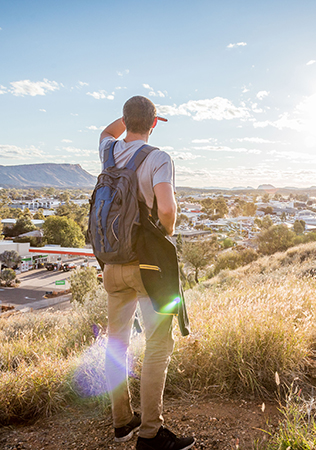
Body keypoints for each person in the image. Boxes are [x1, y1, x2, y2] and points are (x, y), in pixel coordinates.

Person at [99, 95, 194, 450]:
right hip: (146, 266)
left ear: (125, 119)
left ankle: (122, 422)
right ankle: (151, 433)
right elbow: (166, 207)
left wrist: (132, 117)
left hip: (111, 265)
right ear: (154, 124)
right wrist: (165, 231)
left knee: (116, 344)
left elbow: (109, 129)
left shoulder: (108, 150)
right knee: (157, 345)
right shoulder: (158, 158)